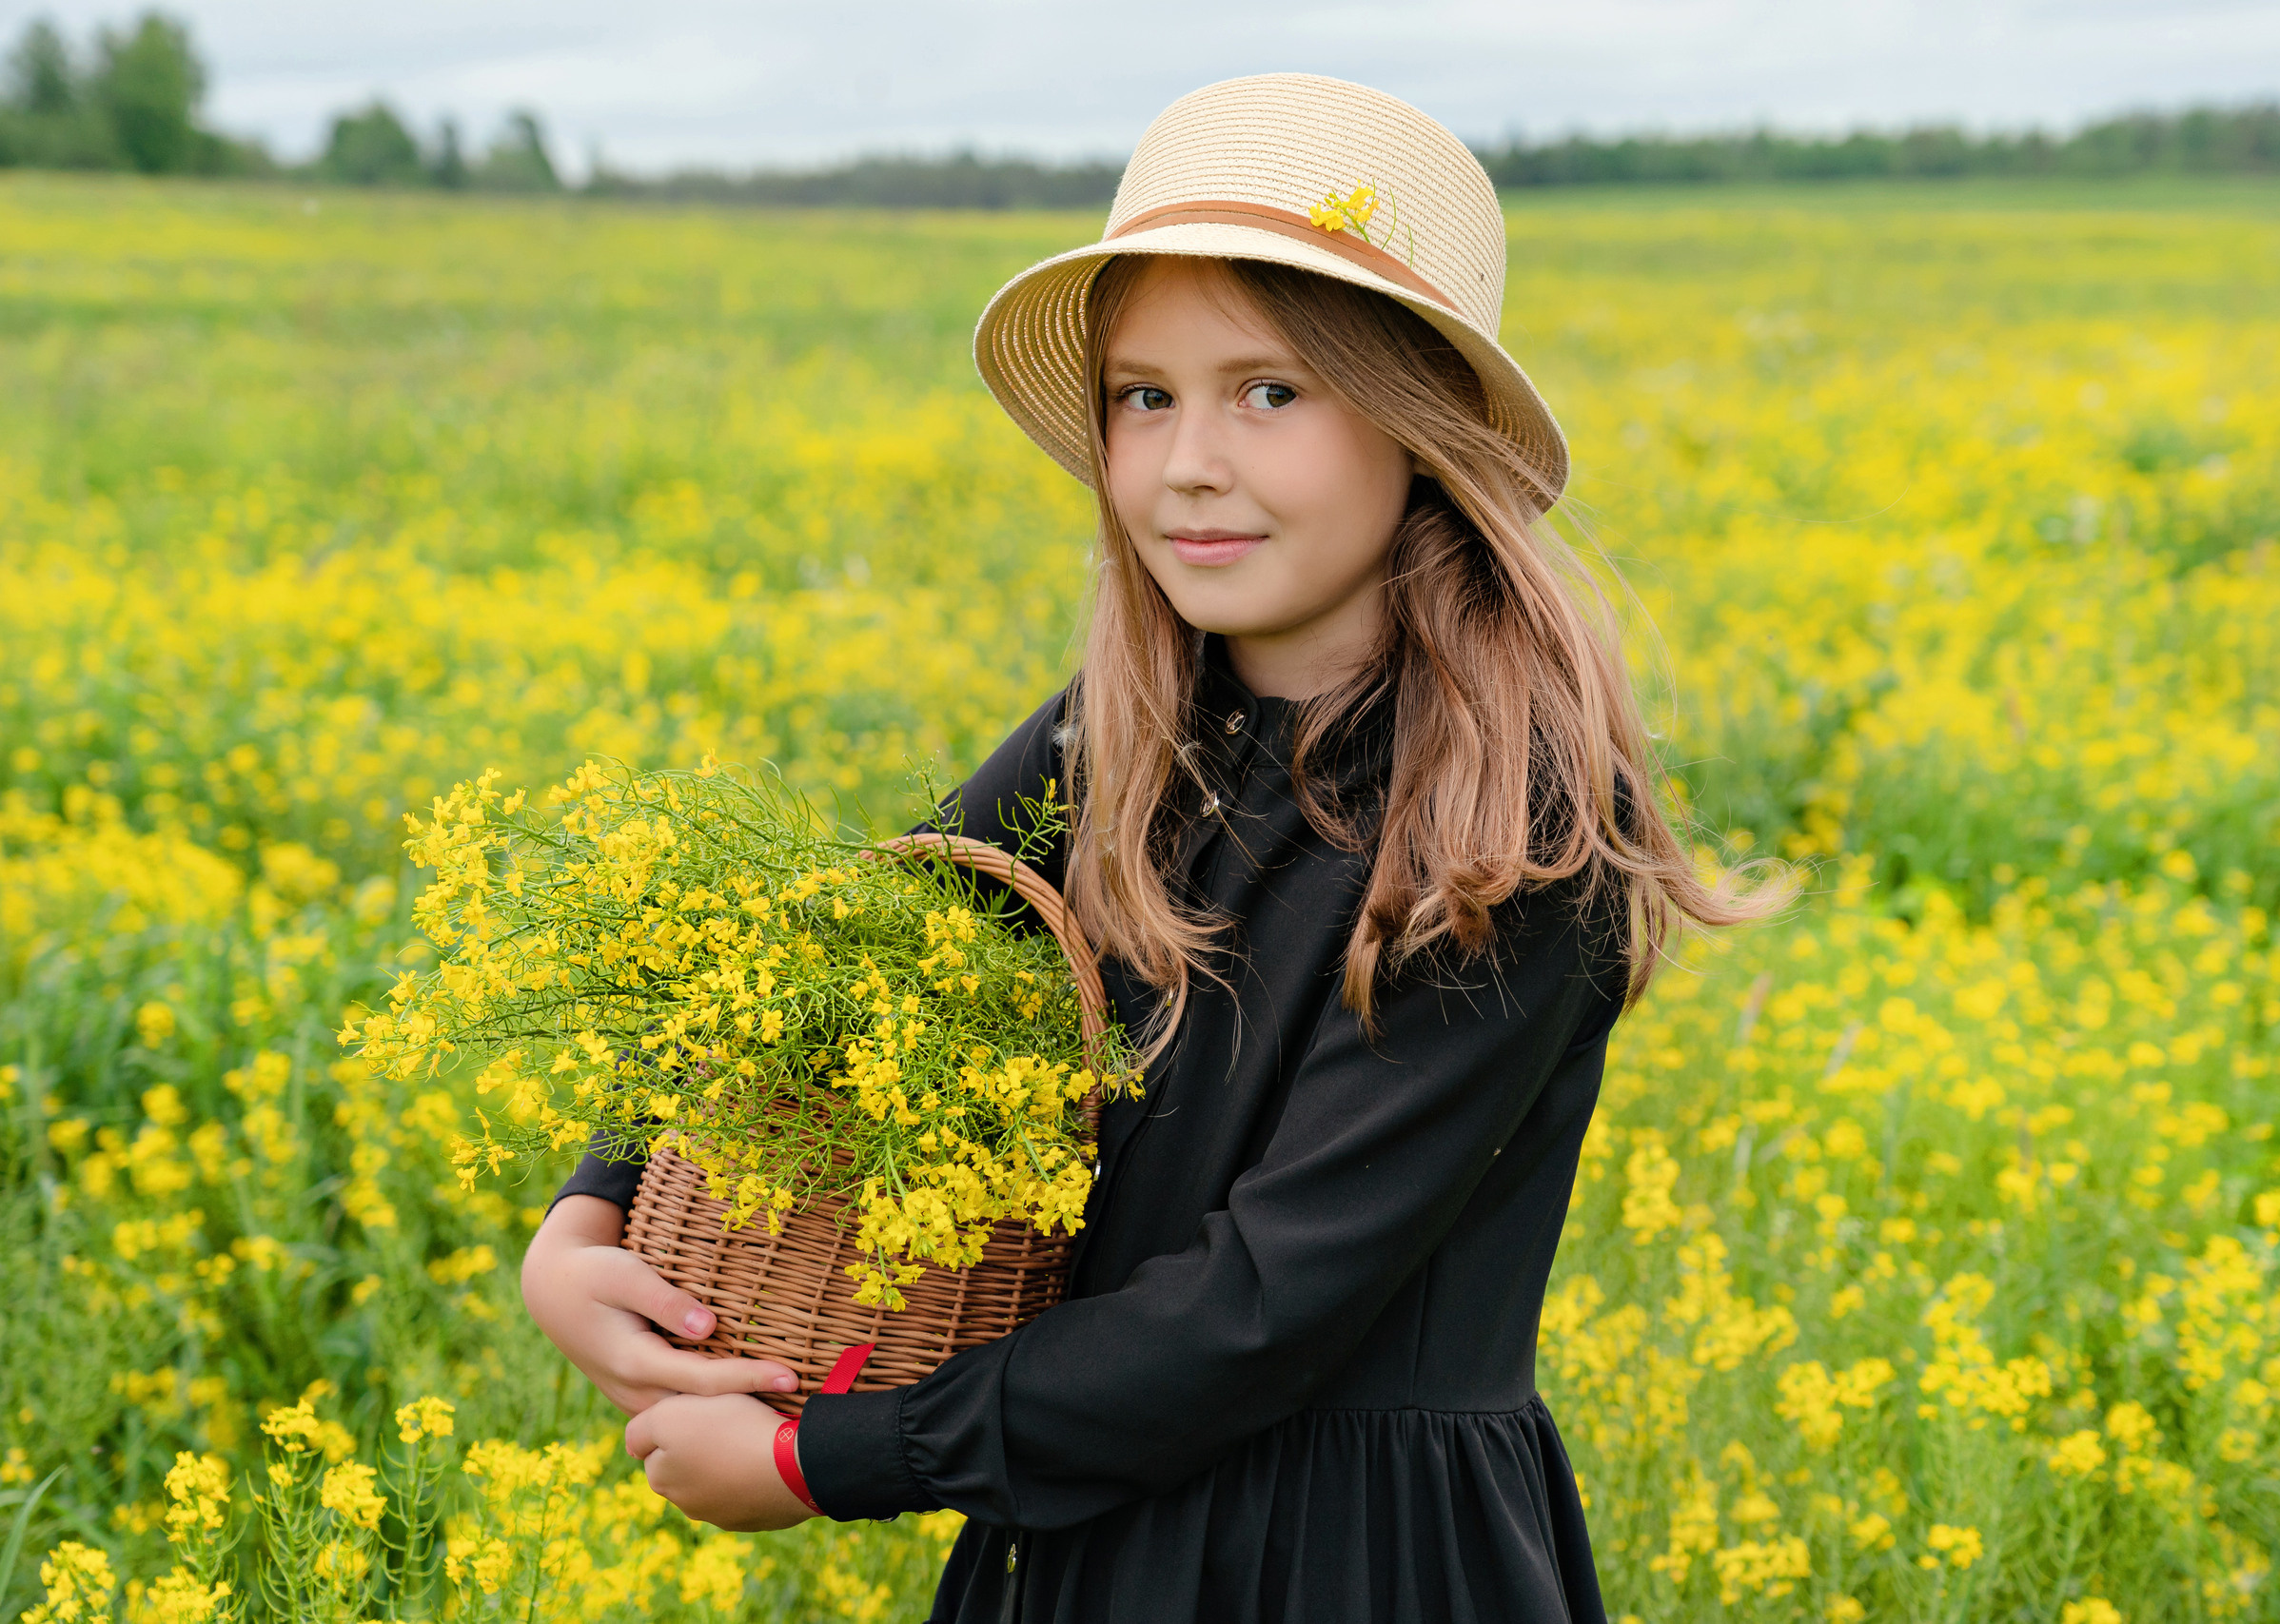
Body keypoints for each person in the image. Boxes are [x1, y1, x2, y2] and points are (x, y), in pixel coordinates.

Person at [521, 71, 1777, 1623]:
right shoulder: (1108, 742)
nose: (1189, 459)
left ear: (1418, 424)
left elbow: (1260, 1311)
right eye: (1145, 395)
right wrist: (596, 1208)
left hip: (1359, 1561)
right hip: (1084, 1532)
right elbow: (840, 985)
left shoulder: (1510, 828)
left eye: (1270, 392)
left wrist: (824, 1458)